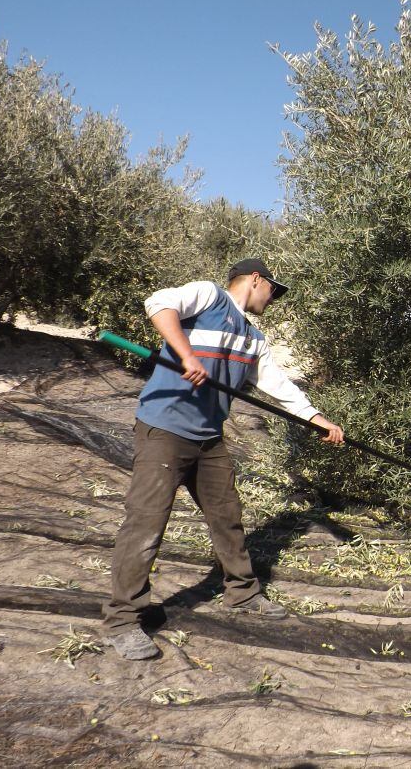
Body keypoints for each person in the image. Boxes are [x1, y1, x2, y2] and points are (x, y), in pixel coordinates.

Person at [102, 258, 344, 660]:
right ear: (255, 280)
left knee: (227, 516)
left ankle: (243, 594)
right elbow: (158, 303)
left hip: (208, 437)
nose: (274, 298)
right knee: (146, 524)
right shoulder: (208, 296)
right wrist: (187, 355)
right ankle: (123, 621)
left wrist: (317, 419)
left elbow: (278, 386)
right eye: (274, 290)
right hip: (164, 429)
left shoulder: (252, 337)